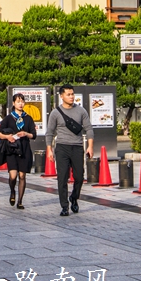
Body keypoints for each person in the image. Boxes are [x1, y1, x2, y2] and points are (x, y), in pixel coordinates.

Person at [45, 84, 93, 217]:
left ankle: (74, 197)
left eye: (72, 94)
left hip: (77, 147)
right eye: (68, 94)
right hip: (62, 147)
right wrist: (49, 149)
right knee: (62, 177)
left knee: (79, 176)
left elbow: (88, 129)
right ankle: (64, 206)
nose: (71, 97)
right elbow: (49, 132)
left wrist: (90, 146)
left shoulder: (81, 111)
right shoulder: (55, 113)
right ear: (61, 96)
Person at [0, 93, 37, 209]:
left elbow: (33, 135)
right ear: (13, 103)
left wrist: (26, 133)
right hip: (12, 150)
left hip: (24, 149)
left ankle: (20, 201)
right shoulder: (9, 118)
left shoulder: (28, 118)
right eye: (18, 101)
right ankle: (12, 191)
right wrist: (8, 137)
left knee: (22, 175)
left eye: (22, 101)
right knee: (13, 176)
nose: (21, 104)